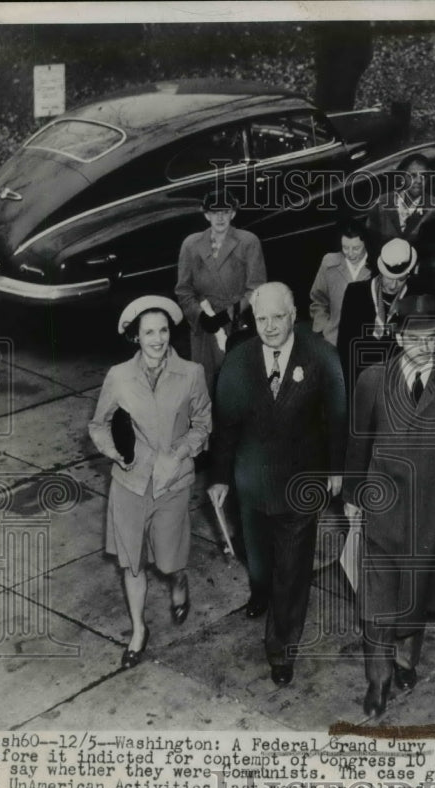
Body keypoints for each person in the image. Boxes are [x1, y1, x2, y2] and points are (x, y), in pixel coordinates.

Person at [343, 294, 435, 718]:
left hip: (431, 514)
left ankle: (405, 659)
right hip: (382, 509)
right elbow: (358, 442)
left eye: (433, 337)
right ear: (399, 336)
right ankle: (378, 679)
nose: (425, 345)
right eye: (415, 337)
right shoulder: (373, 380)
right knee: (378, 601)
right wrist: (351, 496)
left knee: (415, 596)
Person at [208, 282, 347, 687]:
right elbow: (226, 427)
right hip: (251, 483)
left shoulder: (322, 357)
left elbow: (338, 417)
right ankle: (261, 590)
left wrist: (337, 469)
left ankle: (282, 648)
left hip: (301, 482)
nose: (268, 326)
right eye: (261, 318)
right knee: (261, 561)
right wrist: (218, 477)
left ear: (293, 316)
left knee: (293, 568)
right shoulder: (237, 361)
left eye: (277, 317)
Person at [88, 296, 212, 669]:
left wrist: (178, 454)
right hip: (129, 483)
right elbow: (98, 425)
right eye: (148, 332)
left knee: (169, 561)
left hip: (172, 482)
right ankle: (139, 630)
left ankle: (178, 584)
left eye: (162, 330)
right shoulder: (118, 376)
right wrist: (119, 453)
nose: (157, 339)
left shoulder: (191, 373)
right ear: (136, 338)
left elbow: (204, 424)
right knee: (133, 564)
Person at [175, 191, 268, 394]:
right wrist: (201, 316)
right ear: (206, 215)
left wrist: (227, 315)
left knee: (239, 384)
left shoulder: (248, 242)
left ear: (233, 214)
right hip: (204, 326)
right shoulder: (191, 244)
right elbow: (183, 290)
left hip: (237, 323)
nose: (220, 217)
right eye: (214, 212)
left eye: (225, 211)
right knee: (205, 386)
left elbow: (256, 288)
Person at [337, 238, 426, 387]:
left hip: (399, 381)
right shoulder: (355, 293)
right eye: (389, 278)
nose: (393, 286)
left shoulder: (416, 297)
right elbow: (345, 347)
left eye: (400, 279)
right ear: (380, 270)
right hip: (361, 378)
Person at [367, 153, 435, 282]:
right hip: (384, 277)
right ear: (402, 176)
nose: (419, 180)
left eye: (424, 176)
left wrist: (419, 267)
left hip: (419, 281)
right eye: (413, 175)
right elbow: (369, 242)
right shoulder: (380, 204)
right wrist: (382, 268)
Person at [309, 221, 372, 346]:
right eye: (345, 247)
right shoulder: (329, 263)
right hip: (333, 341)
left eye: (356, 248)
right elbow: (318, 300)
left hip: (367, 343)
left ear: (365, 243)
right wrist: (324, 328)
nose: (350, 253)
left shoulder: (377, 266)